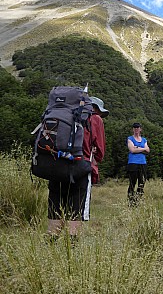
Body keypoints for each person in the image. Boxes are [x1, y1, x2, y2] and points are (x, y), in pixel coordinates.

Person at [47, 96, 108, 237]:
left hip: (56, 167)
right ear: (95, 108)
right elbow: (100, 151)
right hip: (81, 168)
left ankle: (50, 246)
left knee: (55, 209)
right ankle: (71, 251)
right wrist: (94, 157)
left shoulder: (64, 116)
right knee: (76, 211)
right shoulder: (95, 119)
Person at [127, 122, 150, 205]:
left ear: (140, 129)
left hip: (142, 163)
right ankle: (131, 202)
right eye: (135, 127)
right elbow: (132, 150)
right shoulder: (130, 138)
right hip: (133, 163)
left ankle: (138, 200)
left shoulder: (144, 140)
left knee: (142, 182)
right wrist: (143, 148)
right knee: (132, 183)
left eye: (138, 127)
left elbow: (148, 150)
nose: (136, 129)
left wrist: (137, 147)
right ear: (133, 129)